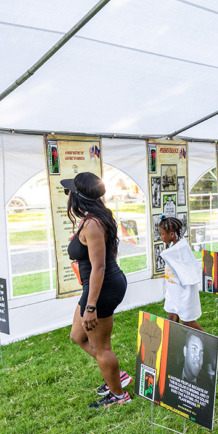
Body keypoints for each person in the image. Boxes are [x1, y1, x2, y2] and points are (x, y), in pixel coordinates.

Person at [64, 172, 131, 408]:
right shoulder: (95, 217)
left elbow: (99, 266)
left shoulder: (92, 223)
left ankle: (119, 395)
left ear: (77, 196)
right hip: (98, 286)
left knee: (102, 346)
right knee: (77, 336)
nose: (67, 193)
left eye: (69, 190)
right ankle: (117, 375)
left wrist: (90, 306)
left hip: (102, 288)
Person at [158, 216, 204, 331]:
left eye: (162, 234)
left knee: (187, 321)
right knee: (172, 318)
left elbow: (168, 255)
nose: (161, 237)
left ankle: (208, 344)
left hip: (184, 292)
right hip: (173, 290)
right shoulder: (174, 246)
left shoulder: (181, 248)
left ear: (172, 234)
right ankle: (174, 345)